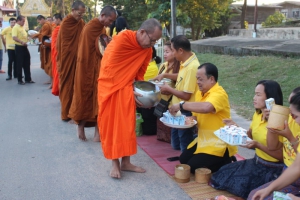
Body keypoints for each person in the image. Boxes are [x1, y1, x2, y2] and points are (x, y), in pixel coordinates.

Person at [97, 18, 162, 178]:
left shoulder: (146, 50)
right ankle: (114, 163)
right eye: (152, 39)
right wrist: (127, 87)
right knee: (113, 125)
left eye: (156, 41)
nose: (152, 44)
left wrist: (138, 90)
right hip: (111, 88)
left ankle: (126, 162)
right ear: (141, 32)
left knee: (127, 126)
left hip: (127, 90)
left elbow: (140, 73)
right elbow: (108, 69)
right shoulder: (121, 41)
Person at [209, 80, 285, 199]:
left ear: (270, 98)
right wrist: (236, 127)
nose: (254, 98)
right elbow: (251, 136)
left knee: (245, 188)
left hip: (272, 168)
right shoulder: (258, 114)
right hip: (256, 161)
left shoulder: (280, 122)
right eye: (255, 94)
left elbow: (283, 156)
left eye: (258, 95)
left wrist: (259, 146)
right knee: (220, 175)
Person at [169, 63, 238, 173]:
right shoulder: (200, 93)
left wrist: (181, 105)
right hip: (203, 140)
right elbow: (196, 116)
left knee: (193, 167)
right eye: (197, 79)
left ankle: (226, 160)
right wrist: (183, 122)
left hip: (218, 143)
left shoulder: (219, 93)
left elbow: (207, 107)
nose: (197, 82)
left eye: (200, 79)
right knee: (183, 160)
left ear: (211, 79)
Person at [68, 5, 117, 141]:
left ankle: (98, 133)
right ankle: (80, 127)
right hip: (86, 70)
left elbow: (102, 47)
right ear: (103, 16)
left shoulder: (101, 29)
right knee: (85, 99)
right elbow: (86, 52)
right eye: (110, 20)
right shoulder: (90, 28)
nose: (110, 23)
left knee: (99, 101)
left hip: (99, 69)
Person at [248, 87, 300, 199]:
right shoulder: (288, 119)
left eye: (258, 94)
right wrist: (272, 123)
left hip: (275, 167)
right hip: (287, 172)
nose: (291, 117)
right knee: (255, 195)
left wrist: (290, 137)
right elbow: (296, 167)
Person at [159, 35, 199, 152]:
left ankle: (187, 163)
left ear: (180, 50)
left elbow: (187, 95)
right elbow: (181, 77)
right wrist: (165, 75)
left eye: (172, 50)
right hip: (176, 109)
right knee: (175, 144)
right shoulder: (185, 62)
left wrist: (168, 89)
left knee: (184, 145)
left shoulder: (192, 67)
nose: (172, 53)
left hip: (185, 110)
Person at [57, 1, 85, 121]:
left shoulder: (81, 23)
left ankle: (75, 112)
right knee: (67, 85)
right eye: (79, 13)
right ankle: (65, 113)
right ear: (72, 10)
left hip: (78, 60)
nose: (81, 16)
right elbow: (64, 46)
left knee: (77, 85)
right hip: (67, 60)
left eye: (83, 14)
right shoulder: (66, 23)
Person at [155, 41, 180, 143]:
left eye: (167, 51)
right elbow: (157, 79)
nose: (165, 54)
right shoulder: (163, 65)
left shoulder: (179, 67)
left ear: (174, 53)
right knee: (162, 134)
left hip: (171, 101)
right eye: (164, 51)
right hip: (162, 100)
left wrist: (166, 74)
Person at [136, 47, 161, 135]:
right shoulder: (146, 65)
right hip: (142, 95)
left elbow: (140, 82)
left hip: (148, 97)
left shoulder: (151, 68)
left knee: (148, 130)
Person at [31, 15, 53, 85]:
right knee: (48, 63)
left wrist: (35, 35)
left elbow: (43, 35)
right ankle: (50, 80)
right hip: (45, 45)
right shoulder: (45, 25)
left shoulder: (46, 25)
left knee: (49, 63)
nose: (39, 23)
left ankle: (52, 80)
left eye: (39, 21)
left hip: (47, 46)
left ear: (42, 19)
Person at [12, 15, 34, 85]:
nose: (24, 22)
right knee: (20, 63)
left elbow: (25, 36)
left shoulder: (22, 28)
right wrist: (21, 42)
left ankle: (28, 79)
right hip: (19, 47)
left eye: (24, 21)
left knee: (27, 62)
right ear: (18, 20)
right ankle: (20, 80)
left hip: (25, 47)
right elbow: (14, 37)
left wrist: (29, 39)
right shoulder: (15, 27)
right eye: (23, 21)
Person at [51, 14, 62, 96]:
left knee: (59, 72)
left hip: (60, 53)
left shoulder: (61, 28)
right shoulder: (57, 28)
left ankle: (59, 88)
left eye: (54, 20)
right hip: (56, 52)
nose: (53, 22)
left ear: (58, 19)